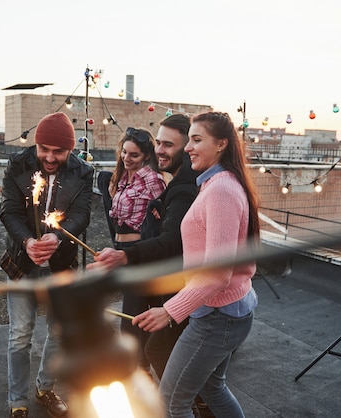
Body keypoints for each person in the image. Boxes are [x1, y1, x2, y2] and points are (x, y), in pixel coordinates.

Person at [133, 111, 261, 418]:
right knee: (213, 388)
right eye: (188, 139)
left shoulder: (220, 190)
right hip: (222, 312)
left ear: (221, 145)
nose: (188, 147)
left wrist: (170, 311)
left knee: (172, 403)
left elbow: (218, 273)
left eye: (196, 139)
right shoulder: (218, 184)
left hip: (217, 317)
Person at [90, 114, 213, 417]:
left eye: (168, 144)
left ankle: (178, 400)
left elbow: (171, 240)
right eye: (159, 142)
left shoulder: (182, 188)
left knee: (163, 356)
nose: (160, 150)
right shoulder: (180, 182)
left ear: (188, 147)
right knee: (190, 369)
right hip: (170, 276)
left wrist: (126, 254)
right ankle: (189, 400)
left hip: (182, 284)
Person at [0, 112, 93, 418]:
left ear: (70, 150)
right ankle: (17, 401)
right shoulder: (18, 164)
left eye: (58, 151)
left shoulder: (83, 172)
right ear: (36, 144)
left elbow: (82, 215)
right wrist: (28, 242)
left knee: (59, 331)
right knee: (20, 335)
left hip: (61, 265)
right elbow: (9, 212)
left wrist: (56, 238)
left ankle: (45, 388)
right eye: (44, 149)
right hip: (21, 262)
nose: (50, 158)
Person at [106, 127, 166, 368]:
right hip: (124, 252)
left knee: (132, 317)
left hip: (140, 253)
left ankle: (139, 370)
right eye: (124, 152)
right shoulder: (122, 177)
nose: (126, 158)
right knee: (133, 313)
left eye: (134, 155)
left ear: (146, 156)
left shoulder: (153, 179)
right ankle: (139, 369)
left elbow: (162, 217)